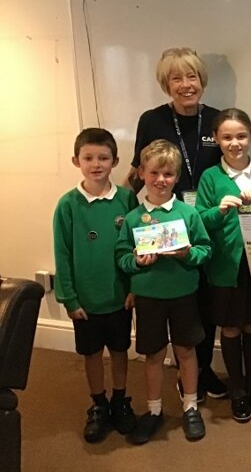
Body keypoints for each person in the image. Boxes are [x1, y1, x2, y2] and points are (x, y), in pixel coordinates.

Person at [123, 47, 226, 401]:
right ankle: (184, 373)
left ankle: (202, 370)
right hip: (164, 222)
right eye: (176, 78)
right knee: (177, 297)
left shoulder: (216, 119)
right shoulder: (152, 120)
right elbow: (137, 171)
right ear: (166, 84)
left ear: (202, 80)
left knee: (206, 302)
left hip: (206, 221)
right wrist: (118, 208)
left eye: (191, 76)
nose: (185, 85)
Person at [116, 140, 212, 444]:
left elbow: (205, 249)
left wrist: (187, 254)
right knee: (153, 355)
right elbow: (122, 257)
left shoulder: (188, 213)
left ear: (177, 177)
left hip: (183, 295)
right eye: (154, 173)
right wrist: (136, 261)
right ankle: (154, 410)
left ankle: (190, 406)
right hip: (149, 298)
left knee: (186, 351)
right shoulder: (133, 218)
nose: (161, 180)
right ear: (142, 174)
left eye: (168, 174)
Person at [195, 108, 251, 428]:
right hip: (223, 265)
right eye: (227, 137)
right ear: (216, 140)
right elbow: (198, 220)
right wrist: (219, 210)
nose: (235, 143)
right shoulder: (210, 177)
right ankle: (237, 390)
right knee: (230, 327)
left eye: (241, 136)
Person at [53, 128, 138, 443]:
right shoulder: (67, 205)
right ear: (76, 161)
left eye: (103, 157)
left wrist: (134, 288)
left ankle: (120, 400)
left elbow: (137, 245)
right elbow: (62, 253)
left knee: (120, 350)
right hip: (86, 302)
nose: (96, 164)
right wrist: (69, 298)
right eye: (88, 158)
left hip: (119, 297)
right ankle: (99, 404)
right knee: (91, 354)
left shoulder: (127, 199)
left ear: (115, 161)